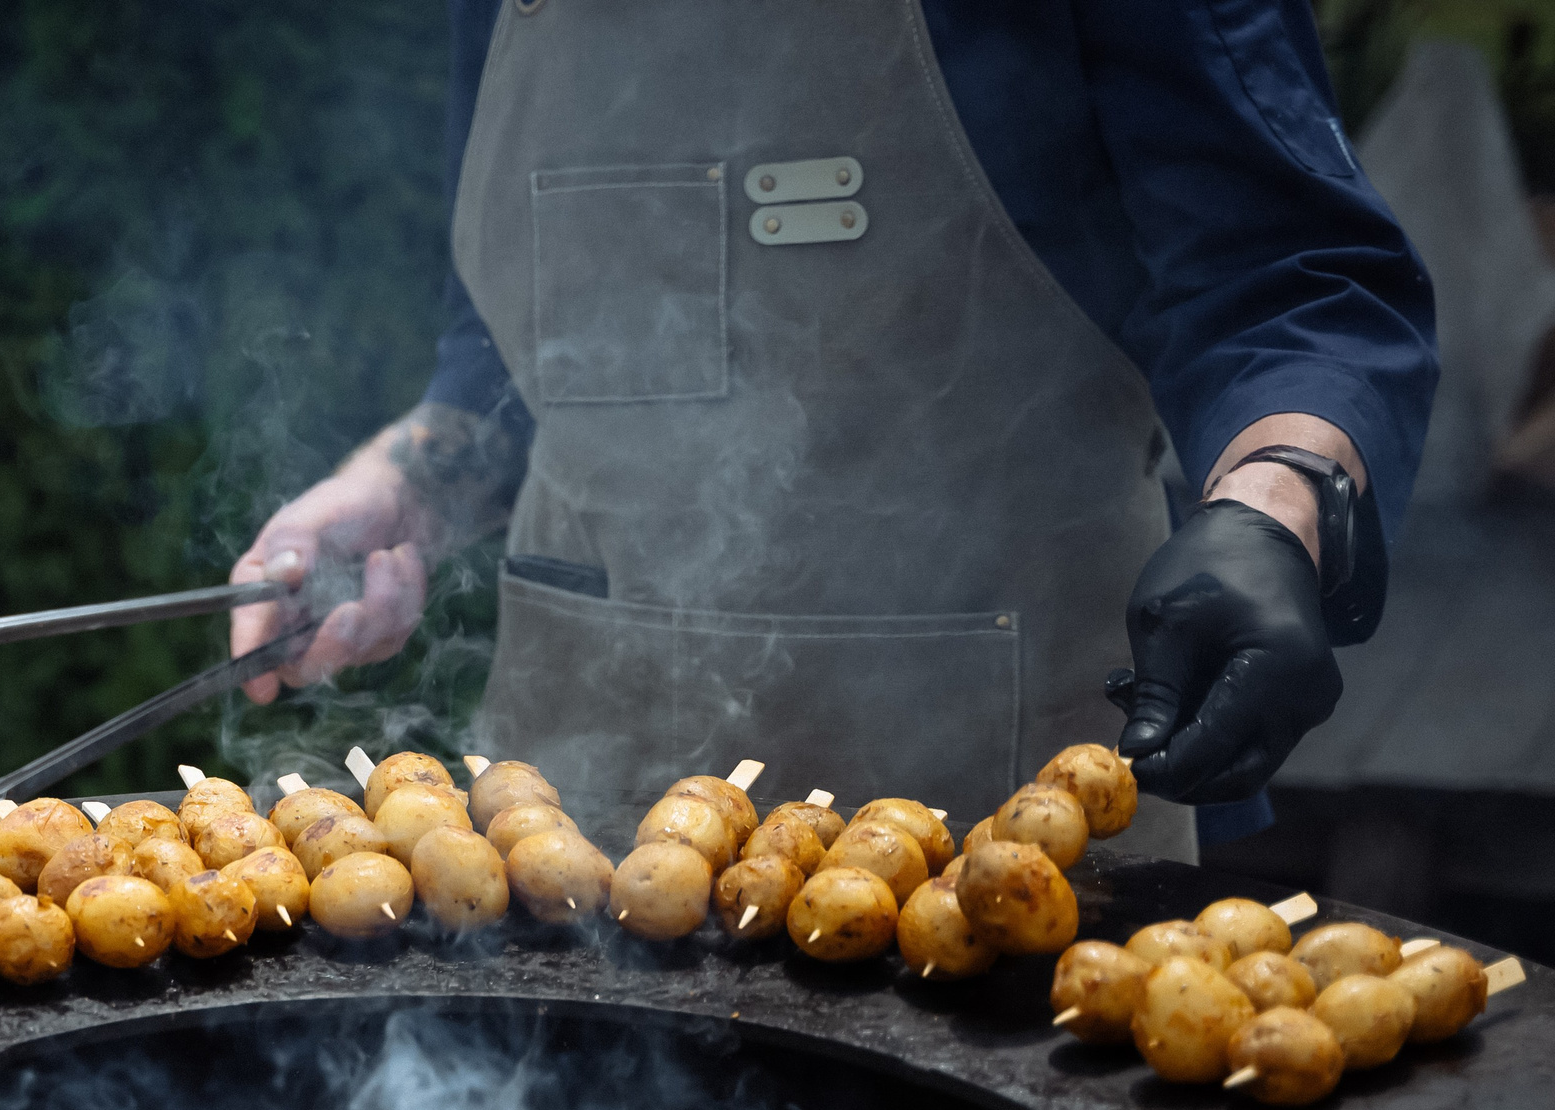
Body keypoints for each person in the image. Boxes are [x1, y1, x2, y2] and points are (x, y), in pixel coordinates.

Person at [228, 0, 1438, 855]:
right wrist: (410, 480)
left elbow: (1293, 283)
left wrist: (1273, 503)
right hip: (563, 836)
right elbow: (516, 331)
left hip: (992, 817)